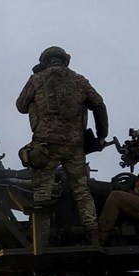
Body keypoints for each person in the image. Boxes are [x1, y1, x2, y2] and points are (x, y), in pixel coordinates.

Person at [16, 46, 109, 240]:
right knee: (82, 190)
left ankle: (40, 239)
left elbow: (21, 105)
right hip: (74, 146)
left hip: (46, 146)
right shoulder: (79, 80)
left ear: (45, 61)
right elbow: (99, 104)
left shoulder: (37, 79)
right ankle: (93, 232)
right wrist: (101, 135)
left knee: (42, 192)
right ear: (65, 60)